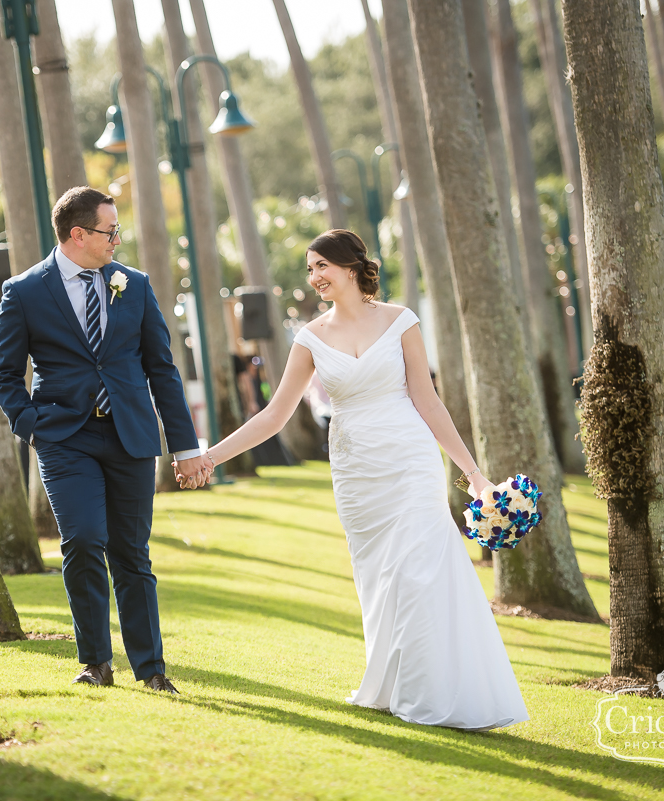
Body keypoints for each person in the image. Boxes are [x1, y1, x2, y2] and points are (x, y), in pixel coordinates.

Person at [185, 230, 529, 729]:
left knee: (422, 570)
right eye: (309, 269)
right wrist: (210, 456)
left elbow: (427, 401)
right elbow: (275, 415)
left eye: (321, 265)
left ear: (351, 267)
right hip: (356, 470)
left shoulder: (400, 320)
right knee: (381, 578)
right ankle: (395, 685)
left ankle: (440, 691)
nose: (315, 277)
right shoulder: (310, 338)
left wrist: (472, 474)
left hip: (410, 459)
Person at [0, 187, 211, 694]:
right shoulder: (23, 292)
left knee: (132, 553)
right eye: (111, 231)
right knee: (85, 541)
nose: (118, 240)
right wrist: (33, 424)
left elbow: (162, 369)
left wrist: (185, 447)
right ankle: (95, 662)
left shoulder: (132, 285)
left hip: (131, 435)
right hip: (65, 439)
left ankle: (152, 669)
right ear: (78, 234)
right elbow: (4, 375)